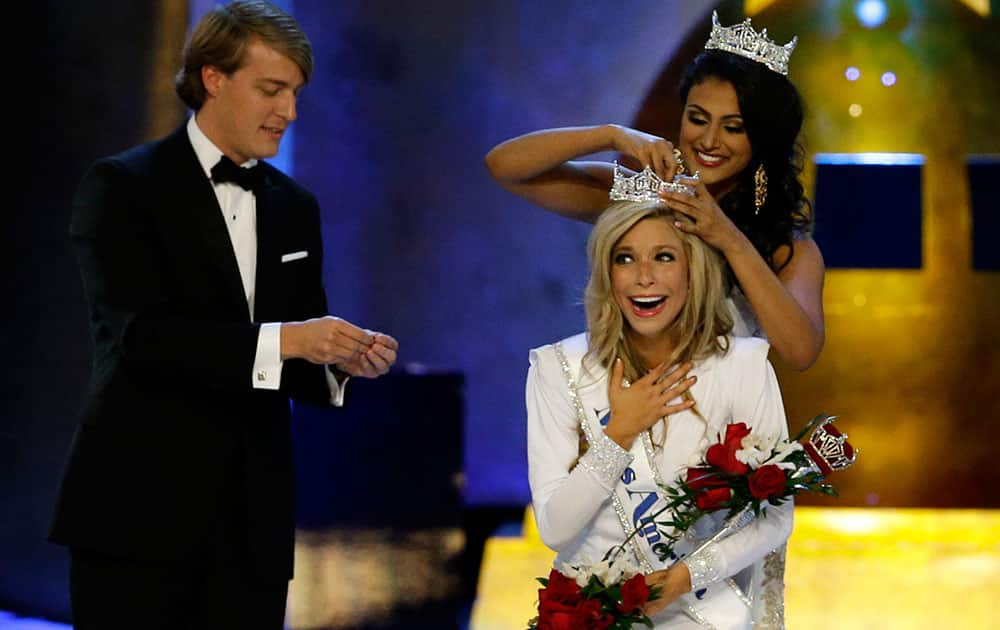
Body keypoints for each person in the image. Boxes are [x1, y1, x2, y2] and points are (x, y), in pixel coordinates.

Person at [48, 2, 398, 628]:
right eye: (271, 89)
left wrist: (340, 362)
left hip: (250, 532)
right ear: (213, 77)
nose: (288, 112)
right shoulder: (123, 187)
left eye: (294, 93)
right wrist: (292, 341)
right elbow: (141, 340)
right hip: (137, 519)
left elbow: (288, 350)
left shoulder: (295, 206)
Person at [486, 11, 824, 372]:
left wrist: (729, 239)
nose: (709, 140)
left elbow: (801, 352)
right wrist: (612, 135)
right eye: (698, 119)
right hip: (632, 412)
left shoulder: (788, 249)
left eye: (733, 128)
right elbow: (506, 167)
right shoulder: (642, 198)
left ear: (762, 139)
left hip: (725, 423)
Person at [526, 197, 792, 628]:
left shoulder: (744, 366)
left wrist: (685, 578)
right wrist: (619, 435)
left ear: (693, 269)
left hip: (705, 611)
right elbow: (555, 529)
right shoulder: (558, 368)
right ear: (607, 274)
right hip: (596, 615)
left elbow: (777, 516)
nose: (643, 277)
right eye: (624, 259)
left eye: (663, 257)